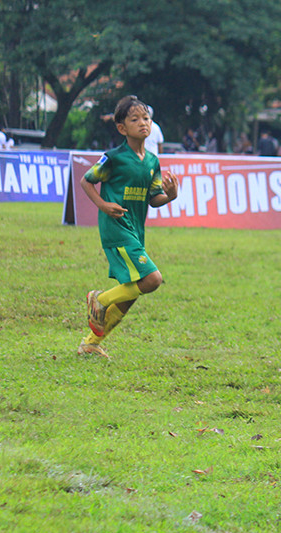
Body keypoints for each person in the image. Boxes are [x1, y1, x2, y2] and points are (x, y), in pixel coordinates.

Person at [77, 95, 179, 359]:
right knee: (152, 279)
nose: (143, 123)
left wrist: (171, 195)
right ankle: (98, 300)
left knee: (132, 292)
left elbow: (154, 199)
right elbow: (87, 181)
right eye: (135, 119)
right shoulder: (113, 158)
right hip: (116, 227)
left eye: (146, 118)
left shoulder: (152, 161)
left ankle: (90, 343)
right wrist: (103, 205)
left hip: (135, 229)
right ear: (121, 128)